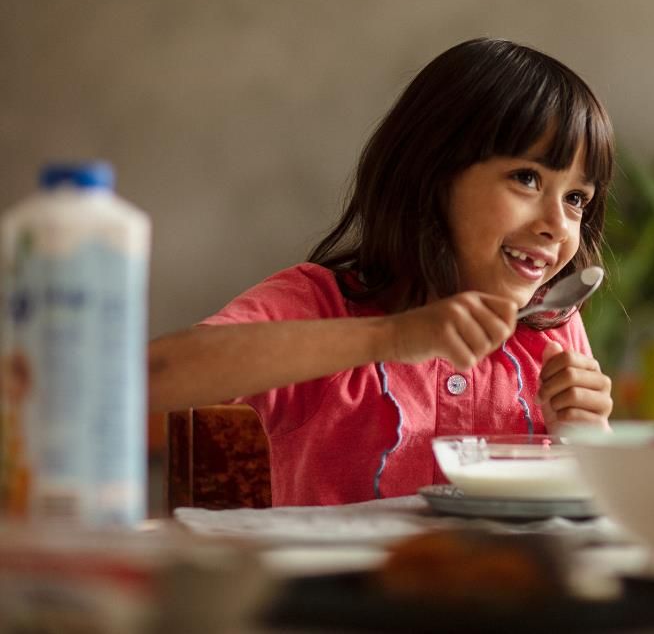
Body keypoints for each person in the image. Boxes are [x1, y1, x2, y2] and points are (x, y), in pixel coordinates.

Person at [148, 38, 615, 505]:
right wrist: (389, 338)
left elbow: (589, 516)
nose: (557, 226)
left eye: (576, 199)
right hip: (337, 579)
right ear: (432, 175)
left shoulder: (551, 328)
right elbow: (153, 376)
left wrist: (585, 438)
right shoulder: (319, 306)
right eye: (527, 178)